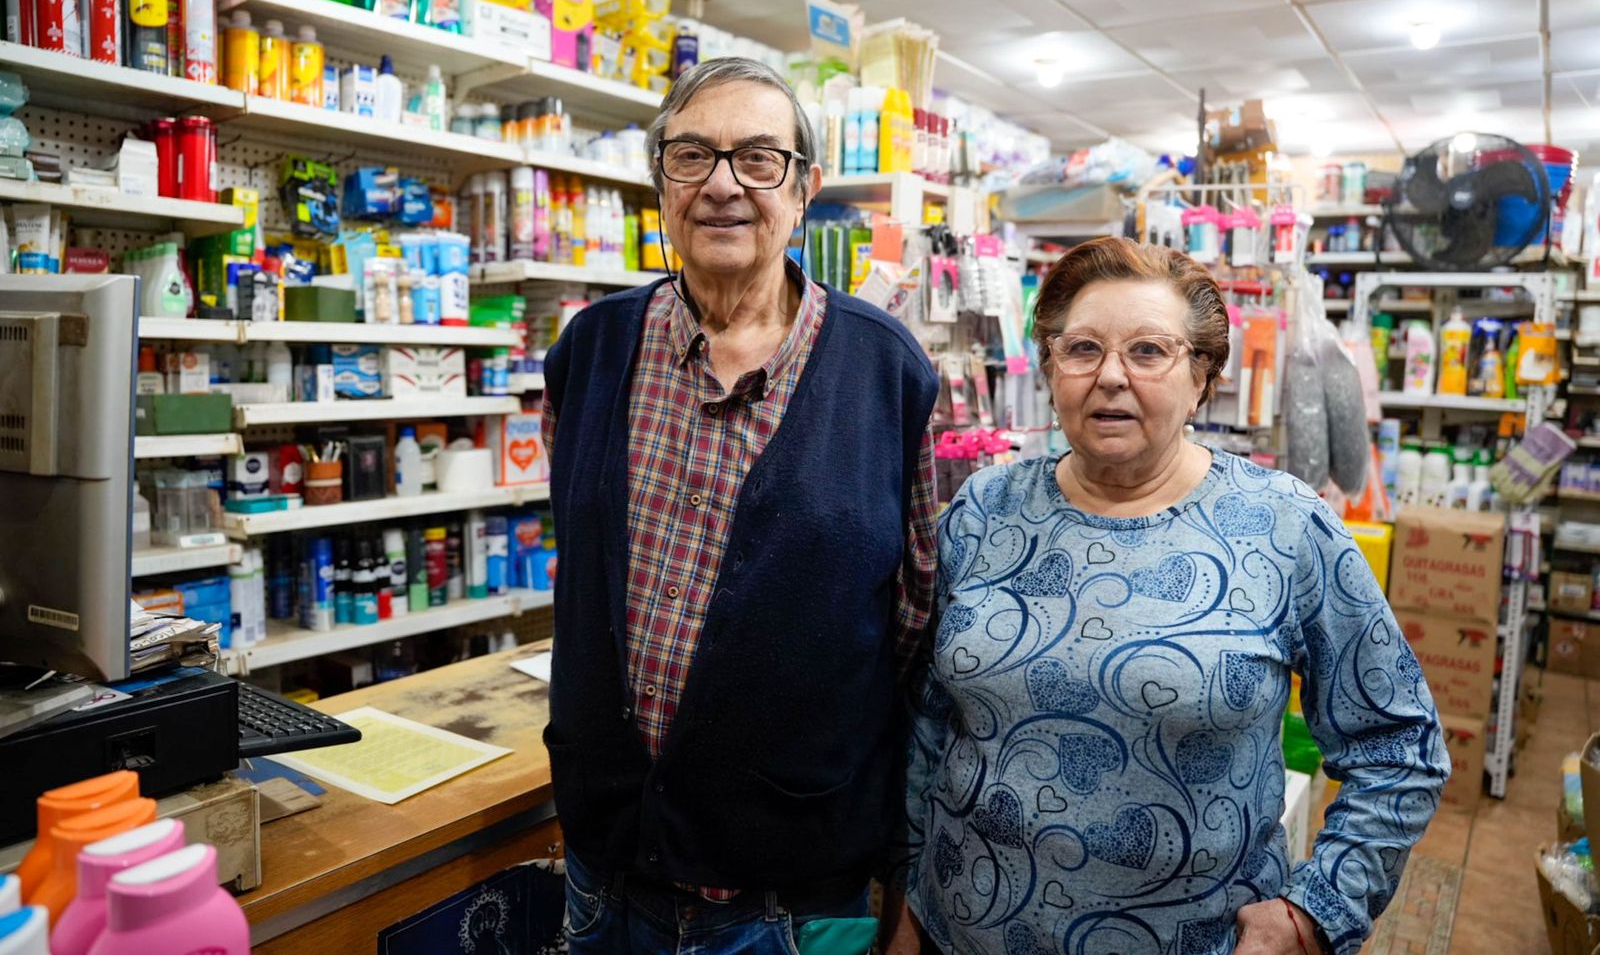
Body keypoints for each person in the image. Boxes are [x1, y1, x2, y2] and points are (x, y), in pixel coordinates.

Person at [893, 237, 1448, 955]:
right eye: (1082, 349)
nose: (1111, 378)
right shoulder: (984, 510)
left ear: (1203, 376)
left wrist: (1314, 914)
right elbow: (927, 726)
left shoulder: (1283, 525)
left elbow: (1398, 743)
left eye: (1149, 351)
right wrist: (906, 899)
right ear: (1051, 365)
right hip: (960, 932)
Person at [540, 56, 940, 954]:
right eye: (692, 157)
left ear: (805, 190)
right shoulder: (592, 349)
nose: (724, 185)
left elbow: (914, 627)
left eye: (759, 159)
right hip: (607, 874)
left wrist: (909, 871)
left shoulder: (887, 370)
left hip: (799, 896)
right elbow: (587, 565)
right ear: (661, 185)